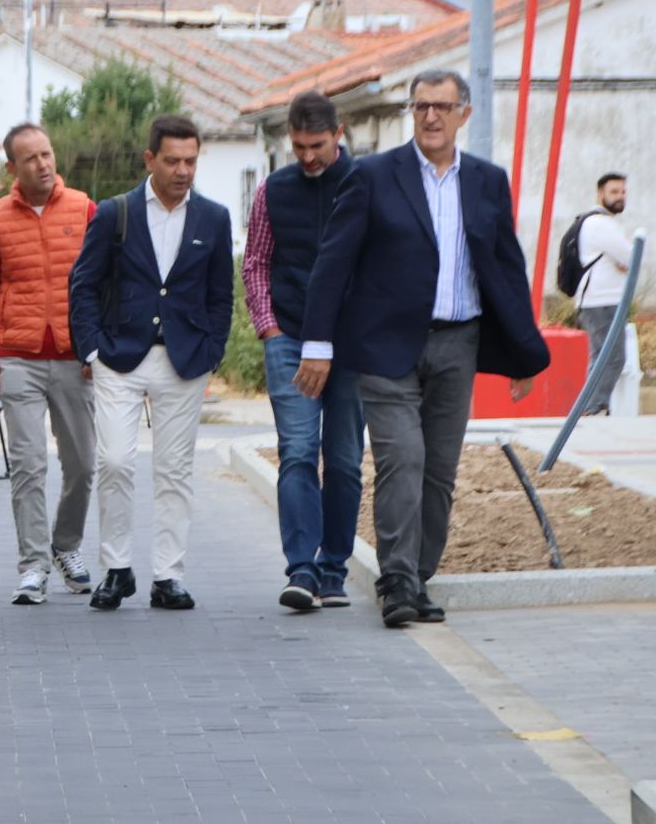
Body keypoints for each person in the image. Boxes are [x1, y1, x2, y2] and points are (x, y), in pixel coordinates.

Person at [296, 69, 549, 628]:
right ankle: (397, 582)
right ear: (411, 113)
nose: (431, 116)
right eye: (420, 106)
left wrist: (525, 353)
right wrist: (317, 344)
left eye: (442, 106)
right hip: (386, 350)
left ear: (465, 113)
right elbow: (332, 263)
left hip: (459, 344)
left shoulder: (487, 181)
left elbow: (506, 269)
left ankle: (419, 576)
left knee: (439, 472)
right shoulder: (372, 176)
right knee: (402, 461)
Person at [68, 115, 234, 612]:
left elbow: (220, 294)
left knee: (174, 471)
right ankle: (117, 569)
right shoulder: (114, 213)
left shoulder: (213, 217)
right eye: (173, 161)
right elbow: (84, 284)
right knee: (115, 461)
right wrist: (92, 350)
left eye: (191, 160)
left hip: (185, 361)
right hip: (119, 357)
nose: (183, 170)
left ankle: (168, 576)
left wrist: (212, 350)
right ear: (149, 159)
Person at [242, 92, 364, 612]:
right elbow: (256, 262)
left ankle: (334, 568)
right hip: (289, 339)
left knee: (343, 459)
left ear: (339, 134)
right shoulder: (273, 190)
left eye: (317, 145)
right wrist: (269, 328)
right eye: (298, 146)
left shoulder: (366, 184)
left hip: (353, 344)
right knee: (296, 452)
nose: (308, 156)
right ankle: (302, 568)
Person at [0, 124, 97, 605]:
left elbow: (104, 284)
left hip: (74, 358)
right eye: (31, 159)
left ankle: (66, 546)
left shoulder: (86, 210)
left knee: (84, 463)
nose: (43, 164)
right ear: (12, 169)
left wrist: (97, 348)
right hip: (17, 357)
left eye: (47, 154)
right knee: (27, 465)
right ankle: (33, 566)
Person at [575, 172, 633, 416]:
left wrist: (625, 258)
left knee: (602, 358)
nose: (620, 196)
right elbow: (632, 256)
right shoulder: (599, 223)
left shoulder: (601, 222)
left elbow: (627, 258)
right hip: (601, 301)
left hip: (602, 300)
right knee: (613, 358)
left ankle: (593, 408)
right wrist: (625, 256)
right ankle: (593, 408)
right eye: (614, 192)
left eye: (622, 191)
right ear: (601, 194)